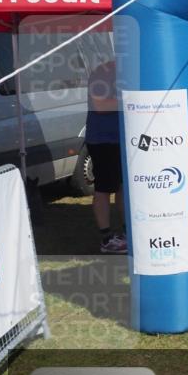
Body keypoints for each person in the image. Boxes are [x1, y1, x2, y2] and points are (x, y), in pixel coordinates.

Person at [85, 59, 126, 253]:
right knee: (104, 188)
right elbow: (100, 106)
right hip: (103, 140)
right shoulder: (102, 73)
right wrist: (132, 100)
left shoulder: (129, 71)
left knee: (122, 187)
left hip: (123, 139)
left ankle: (127, 233)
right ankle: (107, 239)